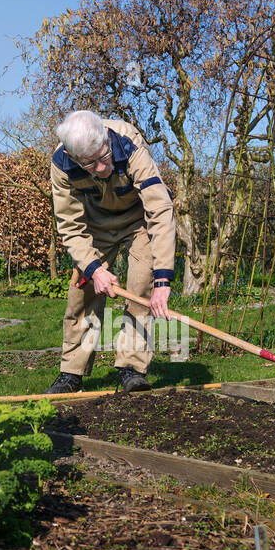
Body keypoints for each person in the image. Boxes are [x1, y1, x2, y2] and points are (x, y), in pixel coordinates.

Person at [42, 110, 176, 394]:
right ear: (73, 156)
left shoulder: (129, 144)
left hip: (138, 221)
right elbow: (69, 225)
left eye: (104, 157)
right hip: (95, 226)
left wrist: (163, 280)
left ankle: (132, 368)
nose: (102, 168)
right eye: (90, 164)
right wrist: (94, 270)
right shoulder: (61, 163)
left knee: (141, 288)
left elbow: (160, 210)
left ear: (106, 140)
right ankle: (72, 372)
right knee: (82, 294)